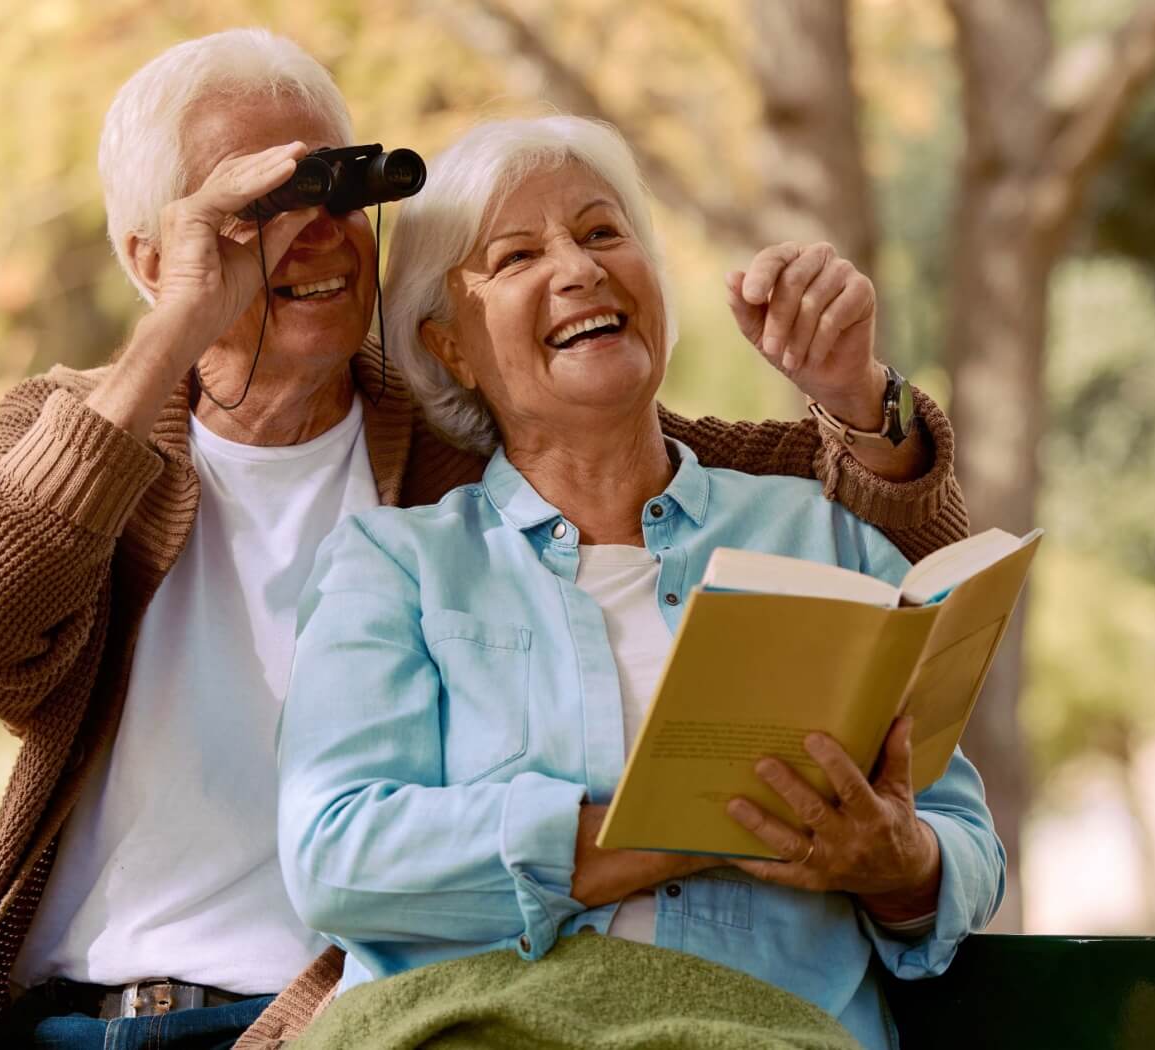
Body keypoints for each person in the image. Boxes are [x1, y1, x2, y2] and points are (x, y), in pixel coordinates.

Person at [0, 29, 967, 1050]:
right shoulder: (88, 428)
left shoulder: (453, 428)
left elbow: (822, 506)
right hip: (82, 1013)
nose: (315, 228)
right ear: (149, 252)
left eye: (339, 185)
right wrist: (179, 324)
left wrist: (860, 400)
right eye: (259, 204)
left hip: (320, 1019)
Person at [274, 116, 1004, 1050]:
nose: (578, 269)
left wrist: (902, 864)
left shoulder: (817, 534)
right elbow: (338, 856)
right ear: (450, 347)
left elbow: (964, 842)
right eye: (517, 255)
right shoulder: (397, 566)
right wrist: (664, 834)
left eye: (603, 232)